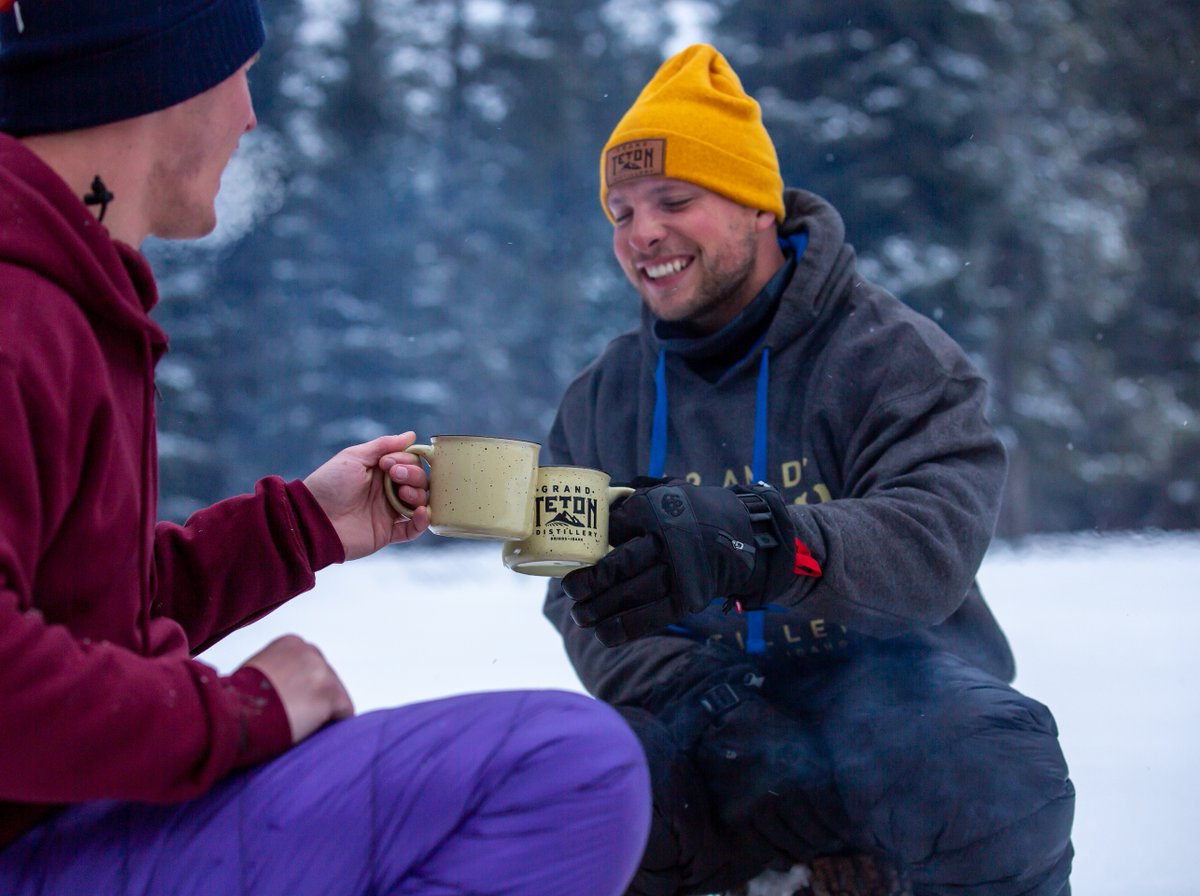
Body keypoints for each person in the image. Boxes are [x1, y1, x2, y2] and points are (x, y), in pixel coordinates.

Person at [0, 2, 649, 893]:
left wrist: (301, 528)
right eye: (239, 75)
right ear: (158, 81)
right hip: (41, 841)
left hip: (69, 817)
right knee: (569, 768)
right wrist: (236, 715)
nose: (248, 115)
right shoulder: (17, 311)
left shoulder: (61, 293)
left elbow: (84, 613)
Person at [543, 43, 1074, 896]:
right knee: (573, 776)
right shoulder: (603, 400)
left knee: (998, 766)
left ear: (758, 207)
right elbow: (574, 590)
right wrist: (712, 699)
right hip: (710, 725)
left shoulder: (890, 356)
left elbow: (931, 542)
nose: (641, 233)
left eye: (674, 200)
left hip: (898, 705)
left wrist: (764, 542)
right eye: (620, 211)